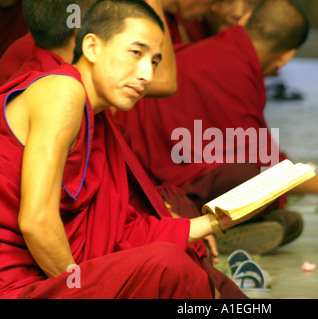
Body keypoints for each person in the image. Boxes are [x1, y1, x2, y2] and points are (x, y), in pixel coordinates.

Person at [0, 0, 263, 299]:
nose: (147, 75)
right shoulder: (63, 91)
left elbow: (119, 232)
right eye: (136, 53)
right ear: (92, 46)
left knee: (171, 256)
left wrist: (217, 221)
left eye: (154, 61)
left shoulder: (95, 118)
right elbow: (37, 223)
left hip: (49, 277)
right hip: (16, 285)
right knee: (170, 267)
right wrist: (82, 288)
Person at [114, 0, 318, 254]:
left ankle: (215, 229)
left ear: (245, 20)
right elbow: (268, 163)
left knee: (251, 179)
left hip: (153, 165)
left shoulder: (218, 49)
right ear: (286, 57)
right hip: (147, 182)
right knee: (253, 179)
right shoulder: (234, 67)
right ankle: (204, 231)